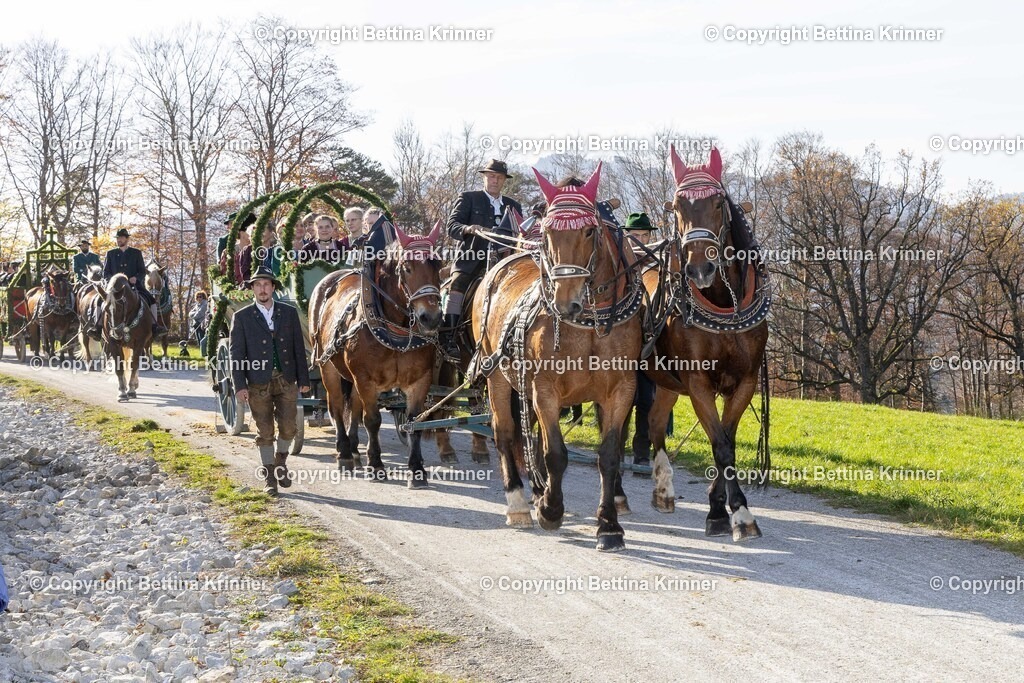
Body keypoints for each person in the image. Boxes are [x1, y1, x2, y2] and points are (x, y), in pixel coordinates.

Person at [229, 267, 310, 496]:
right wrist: (240, 386)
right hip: (257, 383)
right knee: (265, 431)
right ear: (252, 289)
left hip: (286, 380)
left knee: (288, 427)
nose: (262, 289)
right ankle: (269, 478)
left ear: (273, 287)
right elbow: (236, 355)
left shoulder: (289, 312)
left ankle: (281, 462)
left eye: (266, 284)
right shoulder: (242, 317)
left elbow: (298, 348)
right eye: (258, 285)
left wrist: (303, 379)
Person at [442, 159, 522, 354]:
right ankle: (449, 337)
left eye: (499, 177)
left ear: (504, 180)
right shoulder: (469, 198)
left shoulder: (514, 206)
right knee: (457, 285)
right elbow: (451, 226)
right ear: (484, 177)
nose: (495, 180)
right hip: (471, 261)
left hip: (505, 262)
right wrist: (468, 228)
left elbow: (521, 233)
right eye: (492, 176)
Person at [102, 228, 166, 334]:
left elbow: (141, 271)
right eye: (118, 238)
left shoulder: (136, 253)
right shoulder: (110, 253)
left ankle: (155, 326)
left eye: (121, 238)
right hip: (114, 288)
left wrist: (136, 278)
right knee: (99, 302)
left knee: (152, 301)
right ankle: (97, 327)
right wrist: (112, 282)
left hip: (134, 286)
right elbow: (105, 273)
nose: (119, 240)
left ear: (127, 239)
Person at [189, 291, 210, 356]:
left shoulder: (205, 304)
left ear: (203, 297)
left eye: (200, 296)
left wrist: (194, 315)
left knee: (202, 339)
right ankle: (201, 353)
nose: (199, 298)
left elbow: (199, 314)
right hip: (196, 324)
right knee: (198, 339)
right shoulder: (197, 305)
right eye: (197, 297)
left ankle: (204, 354)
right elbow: (190, 313)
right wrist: (193, 314)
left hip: (202, 325)